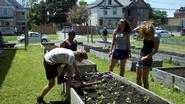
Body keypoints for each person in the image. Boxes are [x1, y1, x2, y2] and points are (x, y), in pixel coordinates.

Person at [133, 21, 160, 89]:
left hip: (148, 58)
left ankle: (147, 94)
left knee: (144, 79)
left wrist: (146, 57)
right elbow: (134, 30)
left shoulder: (155, 37)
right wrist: (142, 25)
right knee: (138, 77)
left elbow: (155, 50)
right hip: (141, 56)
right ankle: (140, 92)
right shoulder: (145, 34)